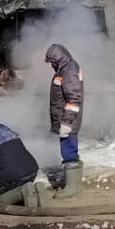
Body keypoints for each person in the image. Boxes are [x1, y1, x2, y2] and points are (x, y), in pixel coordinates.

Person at [44, 43, 84, 199]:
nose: (51, 65)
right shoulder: (65, 68)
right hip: (65, 120)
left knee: (68, 152)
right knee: (69, 151)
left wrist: (66, 122)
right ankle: (73, 184)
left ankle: (72, 189)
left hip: (68, 122)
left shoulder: (69, 71)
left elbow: (74, 99)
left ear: (58, 59)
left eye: (52, 61)